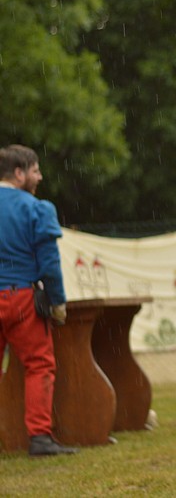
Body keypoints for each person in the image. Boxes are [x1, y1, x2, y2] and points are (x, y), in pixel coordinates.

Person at [0, 144, 77, 456]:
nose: (40, 177)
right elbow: (49, 264)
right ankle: (40, 438)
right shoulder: (36, 208)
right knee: (39, 366)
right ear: (19, 174)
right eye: (35, 170)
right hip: (20, 296)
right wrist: (57, 301)